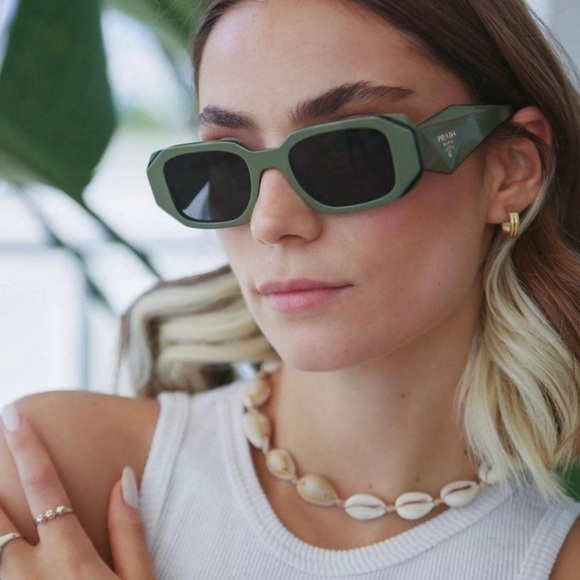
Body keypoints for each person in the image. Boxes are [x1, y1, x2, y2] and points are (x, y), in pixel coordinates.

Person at [0, 0, 579, 577]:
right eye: (223, 167)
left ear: (510, 169)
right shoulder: (53, 479)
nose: (270, 221)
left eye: (349, 152)